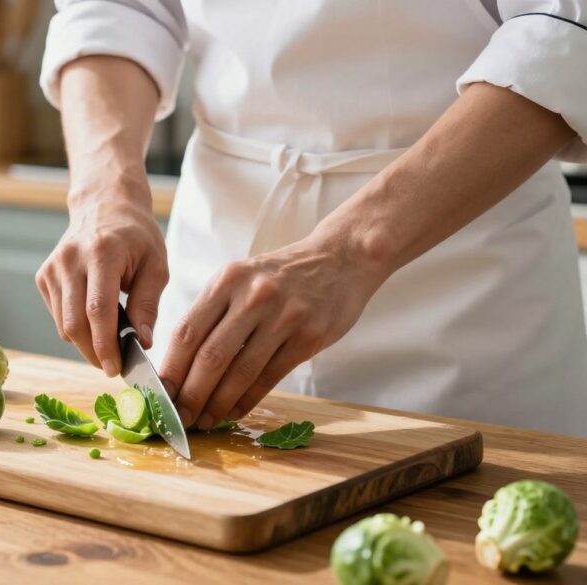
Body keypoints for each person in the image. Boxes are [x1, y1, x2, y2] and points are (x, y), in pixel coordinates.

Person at [34, 0, 587, 437]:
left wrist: (348, 251)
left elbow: (565, 31)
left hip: (465, 290)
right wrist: (104, 193)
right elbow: (118, 9)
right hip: (217, 251)